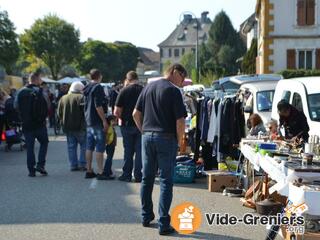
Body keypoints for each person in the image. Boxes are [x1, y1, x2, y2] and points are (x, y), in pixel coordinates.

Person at [133, 63, 187, 235]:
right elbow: (180, 121)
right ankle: (163, 223)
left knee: (147, 178)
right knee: (165, 180)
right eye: (182, 77)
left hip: (147, 136)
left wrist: (144, 131)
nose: (183, 81)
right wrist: (179, 142)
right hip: (166, 137)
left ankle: (146, 216)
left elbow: (135, 113)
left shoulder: (148, 87)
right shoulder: (173, 91)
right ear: (174, 72)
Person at [15, 72, 49, 177]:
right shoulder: (40, 91)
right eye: (40, 79)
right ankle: (41, 165)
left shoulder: (20, 92)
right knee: (44, 143)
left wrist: (23, 116)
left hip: (27, 124)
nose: (40, 81)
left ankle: (31, 170)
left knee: (30, 147)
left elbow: (15, 106)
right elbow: (47, 106)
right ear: (36, 80)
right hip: (39, 124)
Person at [114, 71, 143, 182]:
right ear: (137, 78)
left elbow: (117, 111)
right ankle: (138, 175)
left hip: (126, 125)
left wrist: (123, 118)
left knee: (128, 151)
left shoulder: (123, 91)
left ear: (127, 79)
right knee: (140, 151)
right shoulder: (143, 90)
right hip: (141, 124)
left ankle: (126, 175)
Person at [83, 69, 109, 180]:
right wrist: (104, 120)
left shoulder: (87, 87)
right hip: (97, 120)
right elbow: (98, 106)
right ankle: (100, 171)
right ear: (100, 76)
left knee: (89, 147)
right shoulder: (98, 87)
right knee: (99, 147)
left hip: (89, 120)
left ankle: (88, 170)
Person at [57, 81, 87, 171]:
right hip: (81, 126)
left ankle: (73, 165)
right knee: (83, 146)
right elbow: (85, 113)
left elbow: (59, 113)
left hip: (68, 126)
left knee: (71, 146)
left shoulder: (63, 98)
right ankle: (82, 164)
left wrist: (62, 121)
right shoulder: (82, 98)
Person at [102, 115, 117, 179]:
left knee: (109, 158)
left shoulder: (110, 128)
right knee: (109, 158)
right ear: (109, 121)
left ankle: (109, 171)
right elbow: (110, 138)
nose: (115, 123)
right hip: (110, 145)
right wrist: (109, 143)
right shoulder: (110, 128)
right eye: (113, 121)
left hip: (109, 145)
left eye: (115, 121)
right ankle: (107, 171)